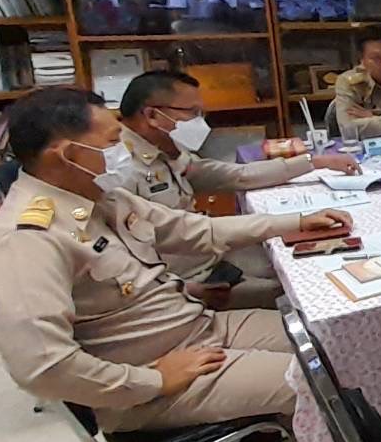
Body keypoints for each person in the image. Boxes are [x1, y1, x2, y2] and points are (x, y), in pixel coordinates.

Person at [0, 88, 351, 433]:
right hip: (149, 378)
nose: (124, 153)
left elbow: (197, 230)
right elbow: (41, 367)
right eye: (113, 142)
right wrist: (152, 381)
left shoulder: (97, 195)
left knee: (338, 342)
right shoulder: (27, 239)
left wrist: (296, 222)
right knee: (321, 387)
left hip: (197, 328)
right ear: (68, 154)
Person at [115, 70, 360, 309]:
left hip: (211, 258)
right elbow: (123, 260)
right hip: (191, 283)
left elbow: (236, 176)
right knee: (308, 291)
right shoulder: (120, 170)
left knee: (318, 264)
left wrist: (314, 161)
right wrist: (183, 289)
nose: (200, 121)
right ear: (152, 115)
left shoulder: (164, 150)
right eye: (192, 112)